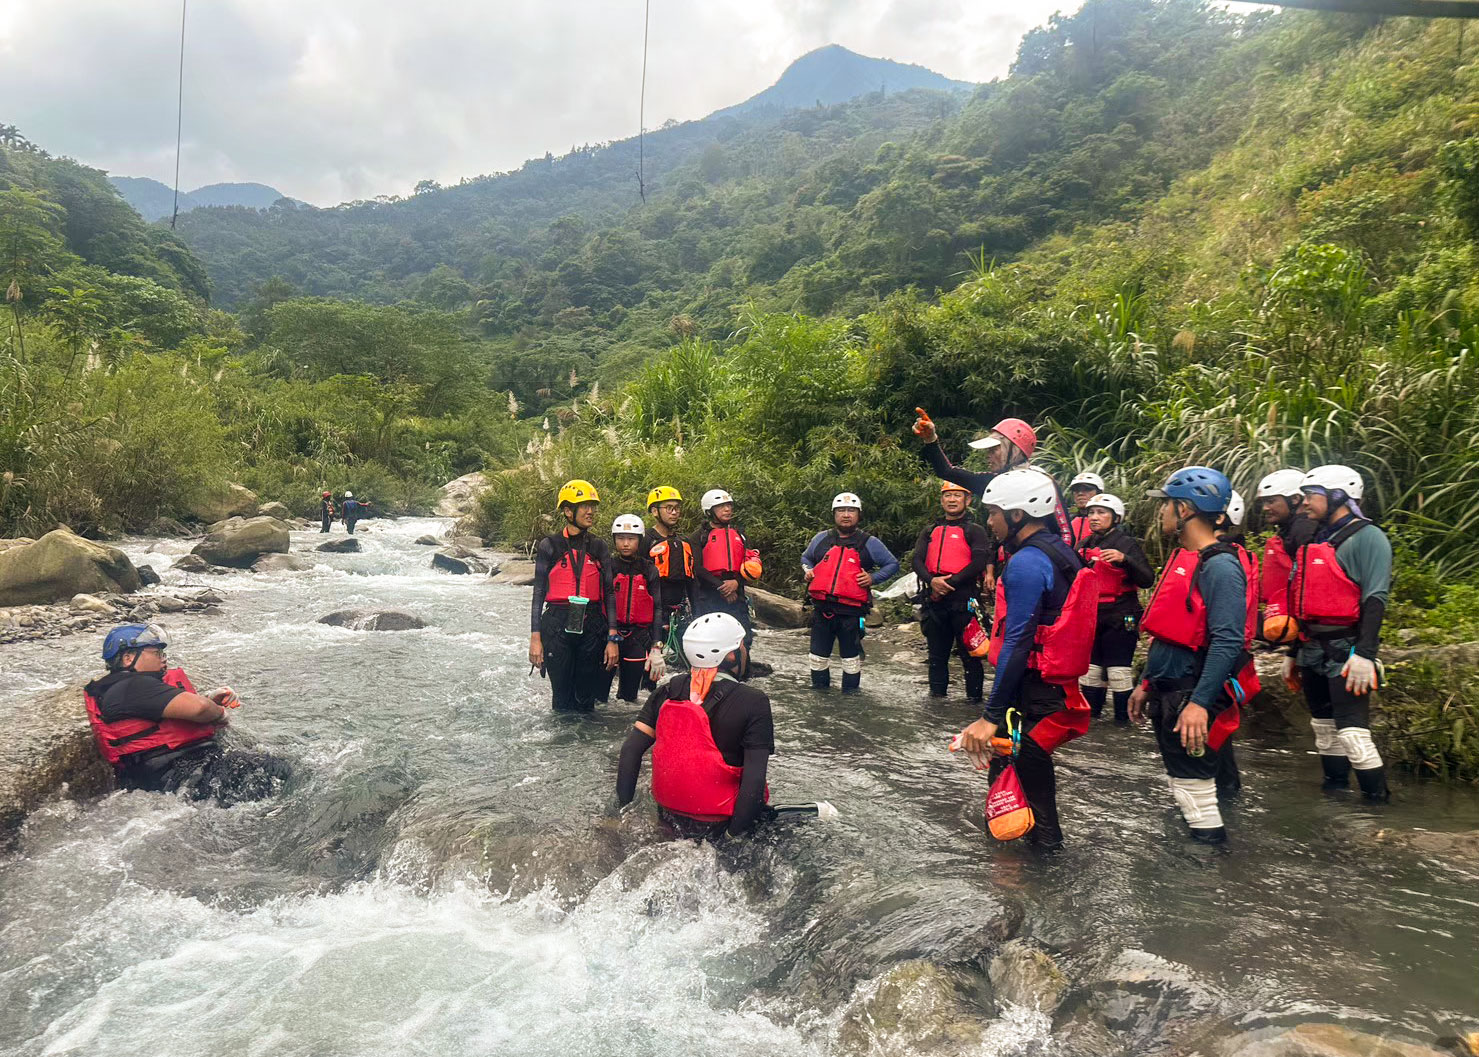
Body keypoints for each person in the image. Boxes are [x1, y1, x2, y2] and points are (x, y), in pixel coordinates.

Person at [957, 468, 1096, 850]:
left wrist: (989, 715)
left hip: (1031, 694)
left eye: (993, 513)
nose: (989, 521)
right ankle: (1020, 881)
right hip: (1050, 690)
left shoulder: (1027, 563)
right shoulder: (1062, 551)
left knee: (1032, 801)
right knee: (1018, 784)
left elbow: (1018, 642)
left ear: (1017, 515)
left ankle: (1034, 883)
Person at [1128, 467, 1248, 843]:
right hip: (1170, 689)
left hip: (1190, 696)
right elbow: (1171, 634)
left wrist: (1199, 703)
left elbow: (1227, 641)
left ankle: (1207, 881)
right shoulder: (1189, 559)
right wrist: (1147, 682)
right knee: (1187, 789)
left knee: (1195, 795)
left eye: (1165, 506)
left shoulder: (1221, 566)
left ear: (1184, 509)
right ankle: (1197, 875)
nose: (1160, 513)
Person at [83, 623, 290, 802]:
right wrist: (218, 713)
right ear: (128, 658)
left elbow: (184, 710)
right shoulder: (130, 687)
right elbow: (199, 709)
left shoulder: (128, 689)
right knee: (276, 770)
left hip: (177, 773)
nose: (164, 659)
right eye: (156, 653)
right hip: (174, 774)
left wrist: (209, 699)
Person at [616, 613, 774, 837]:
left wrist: (623, 813)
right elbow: (754, 781)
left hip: (669, 817)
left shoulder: (667, 690)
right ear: (731, 656)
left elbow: (630, 751)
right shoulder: (754, 701)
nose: (746, 652)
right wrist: (733, 836)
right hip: (721, 823)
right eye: (742, 646)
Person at [1288, 465, 1393, 801]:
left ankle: (1377, 807)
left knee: (1353, 736)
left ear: (1338, 496)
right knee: (1324, 731)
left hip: (1347, 651)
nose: (1303, 503)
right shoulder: (1316, 540)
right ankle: (1335, 799)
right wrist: (1292, 654)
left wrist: (1365, 654)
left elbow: (1375, 598)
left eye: (1310, 496)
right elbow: (1303, 602)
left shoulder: (1369, 538)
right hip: (1311, 648)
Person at [911, 409, 1076, 549]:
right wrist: (931, 440)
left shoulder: (1042, 483)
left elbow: (1066, 534)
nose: (988, 457)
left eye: (994, 450)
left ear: (1015, 450)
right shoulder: (996, 483)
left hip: (1042, 564)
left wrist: (1055, 565)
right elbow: (947, 472)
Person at [529, 479, 620, 712]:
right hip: (557, 625)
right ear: (568, 511)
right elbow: (538, 593)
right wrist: (535, 638)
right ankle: (561, 747)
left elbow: (609, 593)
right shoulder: (549, 546)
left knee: (585, 700)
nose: (591, 511)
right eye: (584, 506)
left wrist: (612, 639)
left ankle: (586, 747)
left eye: (593, 506)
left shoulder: (599, 547)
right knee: (561, 698)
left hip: (592, 626)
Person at [801, 492, 900, 692]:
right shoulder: (822, 539)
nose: (846, 515)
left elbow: (892, 564)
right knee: (817, 658)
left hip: (851, 614)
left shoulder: (869, 543)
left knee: (851, 660)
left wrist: (873, 578)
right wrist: (807, 571)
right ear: (834, 514)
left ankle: (851, 701)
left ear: (858, 515)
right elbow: (806, 558)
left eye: (851, 511)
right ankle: (820, 700)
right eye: (841, 511)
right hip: (822, 611)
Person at [1075, 493, 1154, 722]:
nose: (1094, 517)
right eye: (1091, 513)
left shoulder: (1127, 544)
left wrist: (1125, 559)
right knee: (1090, 672)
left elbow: (1147, 579)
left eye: (1101, 513)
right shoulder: (1084, 545)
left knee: (1118, 672)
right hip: (1093, 616)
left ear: (1115, 517)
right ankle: (1091, 720)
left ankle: (1123, 722)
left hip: (1121, 616)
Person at [912, 482, 994, 703]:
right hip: (935, 601)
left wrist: (949, 582)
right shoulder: (929, 531)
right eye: (947, 496)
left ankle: (974, 702)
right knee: (937, 657)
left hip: (963, 600)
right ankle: (937, 702)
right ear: (941, 501)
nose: (952, 500)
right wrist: (932, 580)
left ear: (967, 500)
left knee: (971, 656)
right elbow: (917, 560)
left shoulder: (974, 530)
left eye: (957, 496)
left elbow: (978, 561)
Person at [690, 488, 760, 678]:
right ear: (709, 510)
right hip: (709, 596)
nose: (727, 509)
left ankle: (742, 678)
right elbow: (697, 568)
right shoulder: (699, 537)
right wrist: (723, 587)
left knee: (743, 638)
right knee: (711, 641)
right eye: (721, 506)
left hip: (736, 594)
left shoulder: (740, 535)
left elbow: (749, 563)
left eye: (729, 505)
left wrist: (736, 583)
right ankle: (708, 678)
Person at [607, 514, 667, 703]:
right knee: (599, 697)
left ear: (639, 541)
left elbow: (657, 608)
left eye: (631, 539)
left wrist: (656, 646)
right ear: (614, 540)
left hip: (638, 638)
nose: (625, 543)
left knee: (628, 699)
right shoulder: (608, 566)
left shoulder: (649, 570)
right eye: (620, 538)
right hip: (610, 636)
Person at [1255, 467, 1318, 644]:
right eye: (1264, 503)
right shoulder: (1290, 530)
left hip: (1306, 624)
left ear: (1295, 499)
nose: (1265, 508)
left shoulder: (1304, 529)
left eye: (1271, 501)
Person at [642, 485, 696, 650]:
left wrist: (696, 613)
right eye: (669, 508)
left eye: (677, 508)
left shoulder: (683, 543)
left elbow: (691, 582)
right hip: (654, 614)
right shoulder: (646, 541)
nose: (674, 512)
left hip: (679, 614)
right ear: (654, 511)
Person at [1067, 471, 1106, 545]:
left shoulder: (1109, 522)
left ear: (1099, 493)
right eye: (1076, 490)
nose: (1080, 493)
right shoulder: (1068, 521)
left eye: (1087, 489)